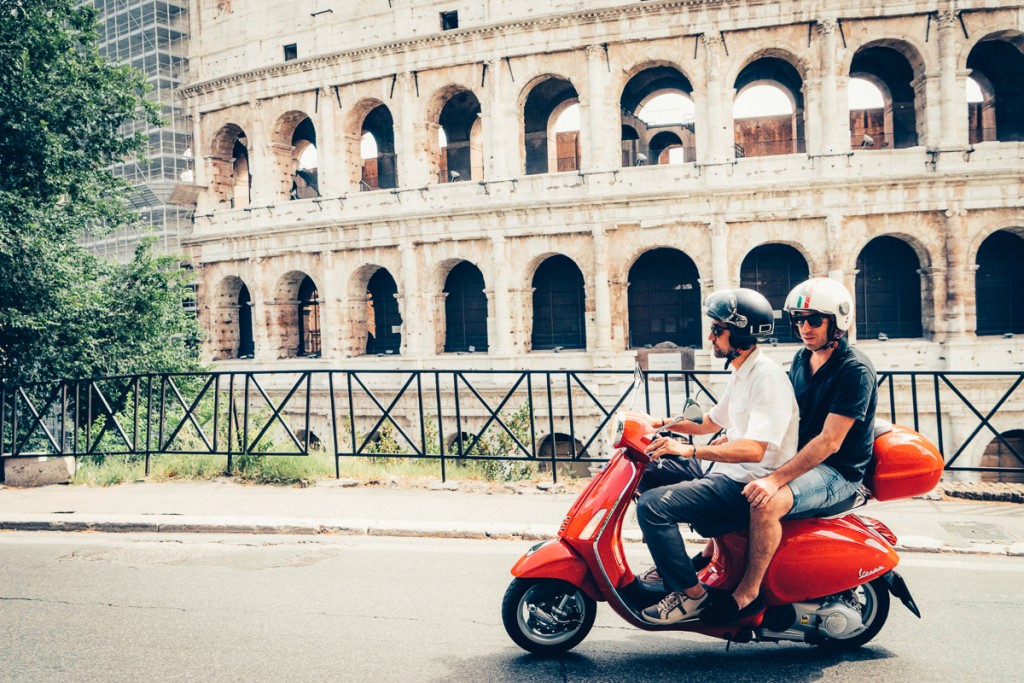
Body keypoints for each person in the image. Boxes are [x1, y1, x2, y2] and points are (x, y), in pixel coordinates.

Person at [699, 277, 878, 626]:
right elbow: (784, 414)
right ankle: (714, 557)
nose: (804, 328)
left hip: (838, 472)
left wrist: (775, 480)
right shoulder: (802, 358)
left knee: (766, 501)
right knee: (737, 477)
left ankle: (747, 594)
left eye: (814, 320)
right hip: (805, 458)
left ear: (838, 320)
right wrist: (737, 437)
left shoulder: (854, 371)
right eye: (798, 320)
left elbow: (830, 442)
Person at [636, 288, 800, 625]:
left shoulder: (766, 378)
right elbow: (710, 420)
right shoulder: (743, 370)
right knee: (649, 470)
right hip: (726, 470)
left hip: (746, 481)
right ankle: (677, 562)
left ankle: (690, 595)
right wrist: (660, 423)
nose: (710, 336)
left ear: (740, 334)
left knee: (652, 506)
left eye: (718, 329)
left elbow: (756, 449)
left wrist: (688, 448)